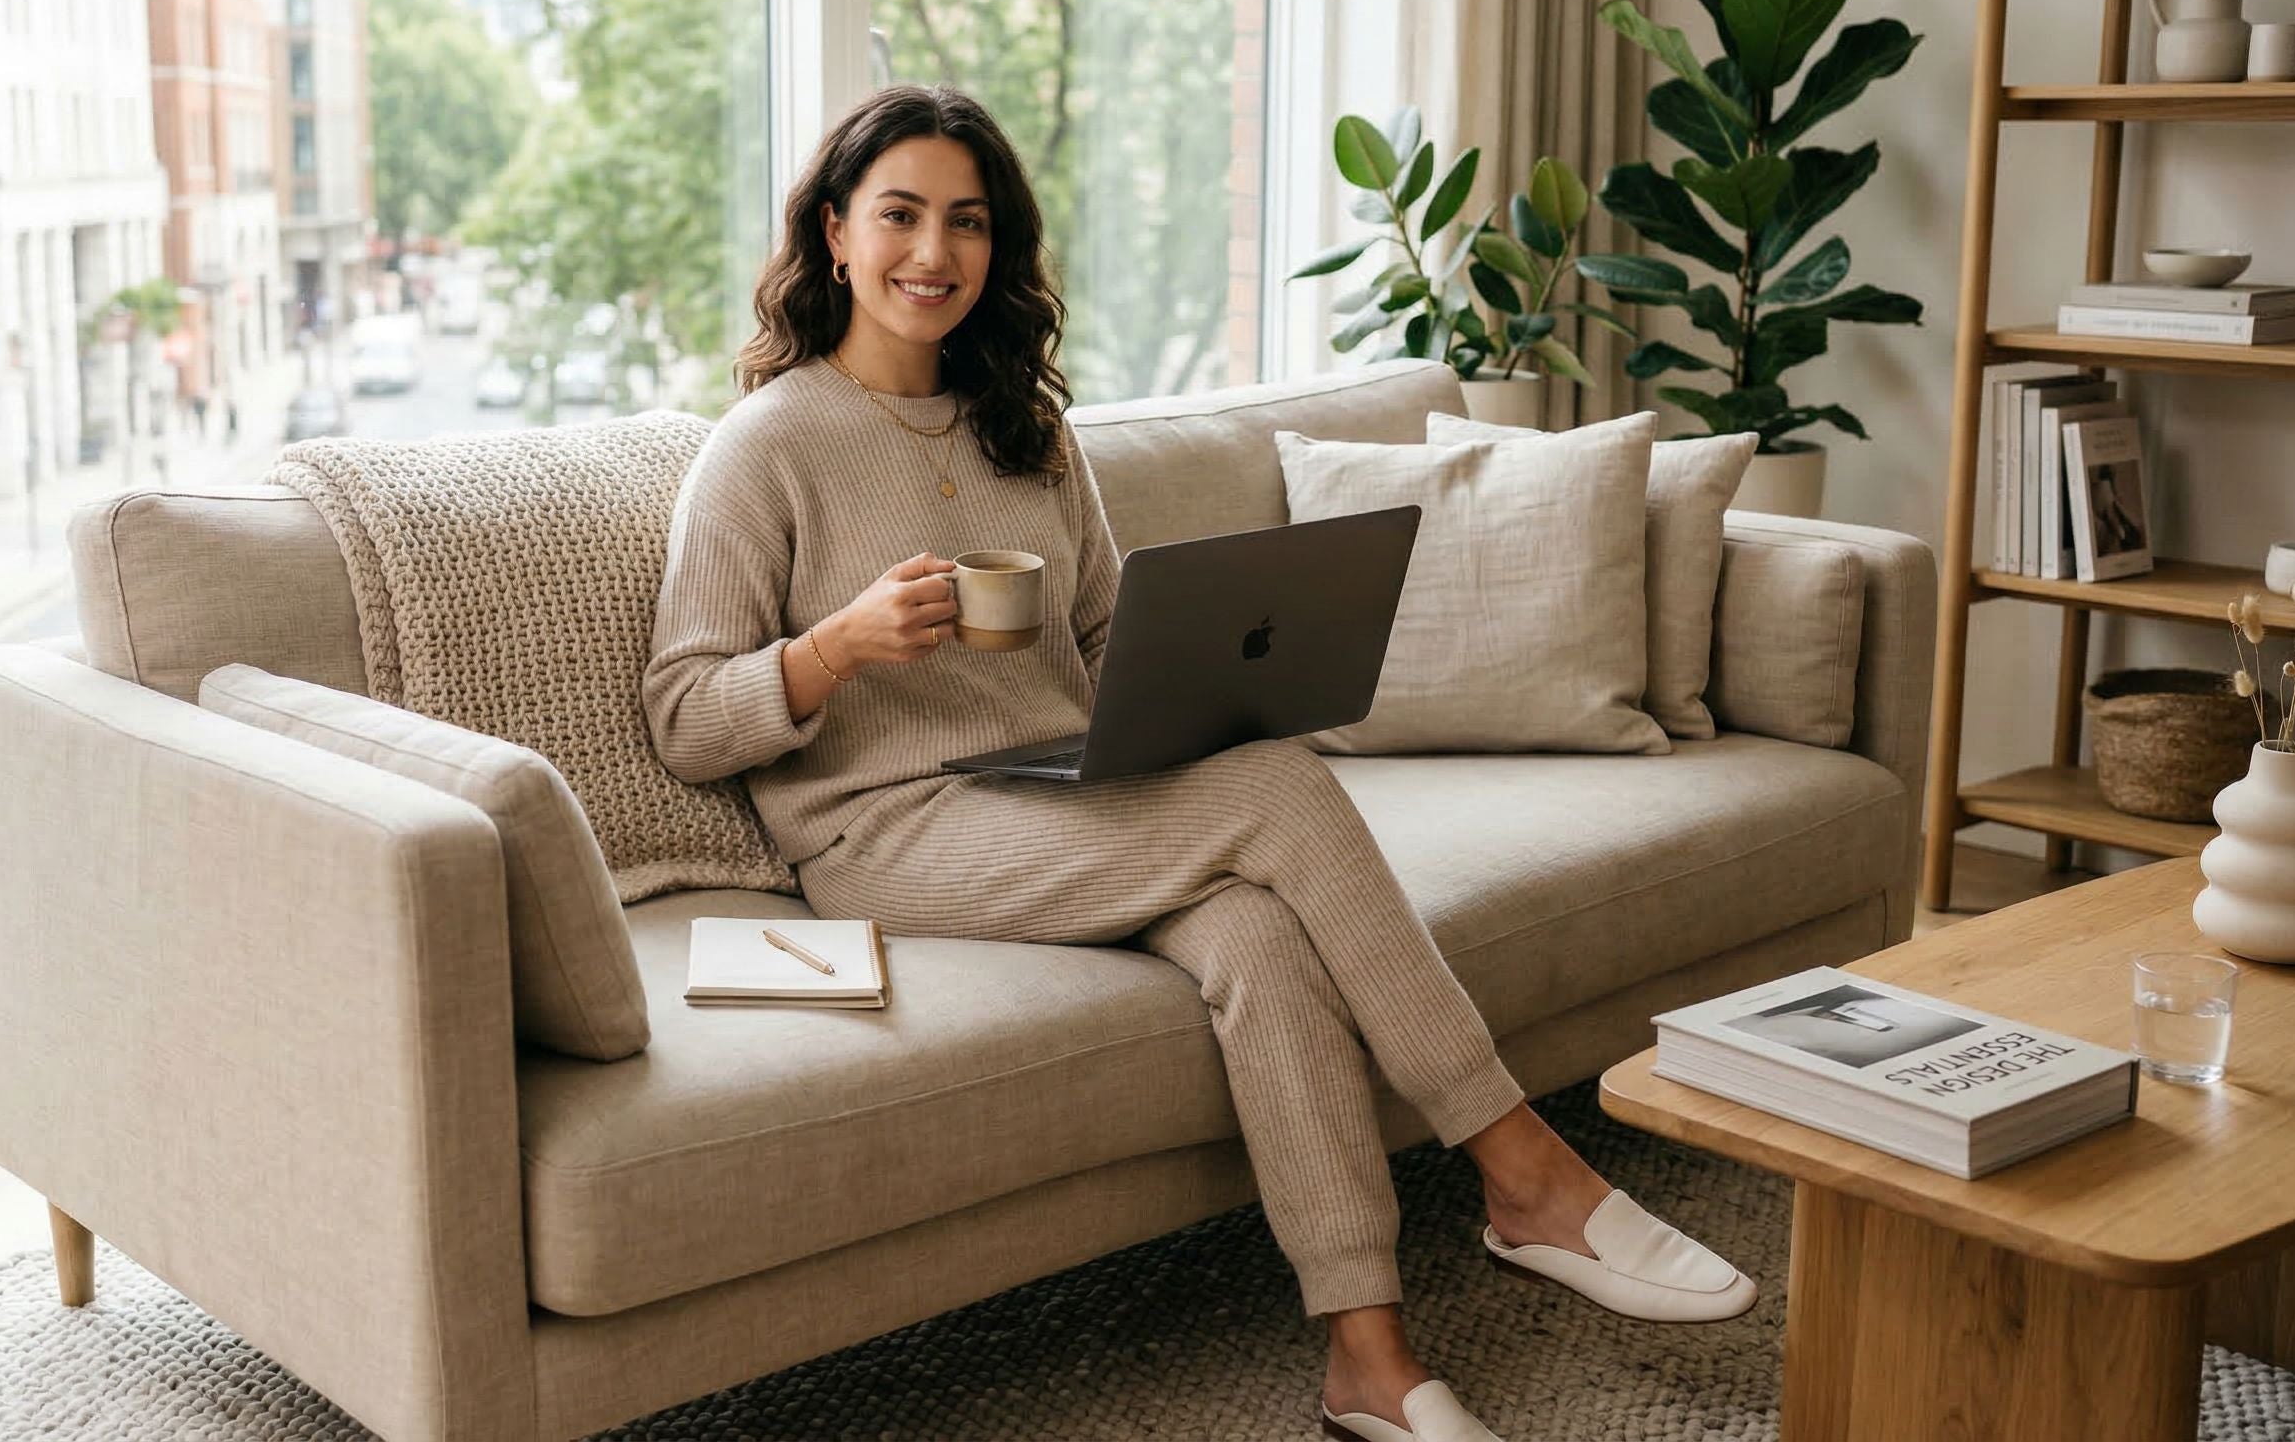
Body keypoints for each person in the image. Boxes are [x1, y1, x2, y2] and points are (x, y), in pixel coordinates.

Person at [640, 86, 1754, 1442]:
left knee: (1254, 932)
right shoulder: (763, 446)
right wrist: (837, 649)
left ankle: (1367, 1355)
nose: (933, 253)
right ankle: (1522, 1166)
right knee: (1279, 790)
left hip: (1057, 789)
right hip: (886, 830)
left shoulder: (1025, 429)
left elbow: (1107, 636)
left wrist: (1207, 680)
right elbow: (688, 718)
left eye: (968, 222)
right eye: (901, 215)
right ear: (831, 232)